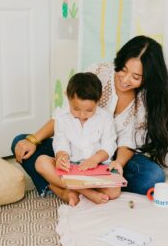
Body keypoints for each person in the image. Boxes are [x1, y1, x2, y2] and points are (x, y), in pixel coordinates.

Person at [12, 35, 168, 198]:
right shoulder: (99, 72)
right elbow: (64, 115)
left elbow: (127, 141)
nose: (125, 79)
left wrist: (118, 164)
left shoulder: (145, 100)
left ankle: (65, 182)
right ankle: (68, 188)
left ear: (148, 78)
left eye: (135, 77)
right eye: (123, 70)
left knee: (153, 177)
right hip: (74, 150)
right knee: (21, 144)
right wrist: (34, 140)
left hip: (109, 157)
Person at [35, 72, 125, 206]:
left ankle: (69, 189)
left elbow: (109, 145)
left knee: (114, 192)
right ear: (68, 97)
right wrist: (61, 157)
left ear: (98, 100)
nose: (82, 115)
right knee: (41, 163)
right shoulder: (61, 117)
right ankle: (86, 192)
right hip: (71, 168)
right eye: (76, 109)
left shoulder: (105, 118)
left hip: (97, 168)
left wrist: (94, 160)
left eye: (89, 110)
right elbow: (60, 142)